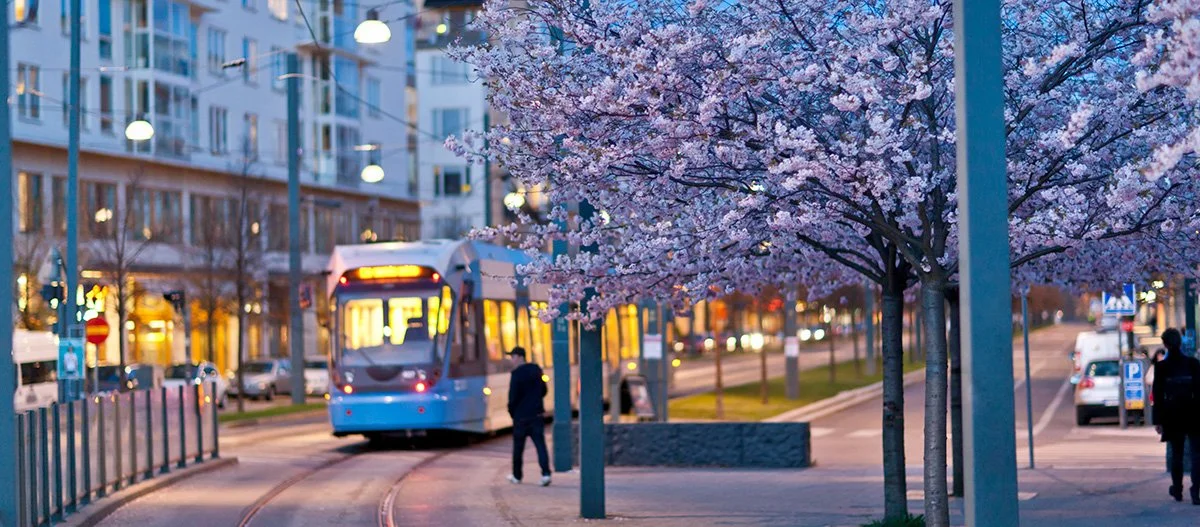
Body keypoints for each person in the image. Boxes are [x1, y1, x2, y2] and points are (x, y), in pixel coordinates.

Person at [1153, 328, 1200, 504]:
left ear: (1165, 344)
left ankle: (1177, 489)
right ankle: (1196, 491)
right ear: (1180, 343)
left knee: (1177, 454)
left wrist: (1158, 421)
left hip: (1173, 414)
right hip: (1194, 413)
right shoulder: (1193, 364)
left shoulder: (1162, 367)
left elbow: (1157, 395)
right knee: (1197, 454)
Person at [506, 347, 551, 486]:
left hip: (521, 417)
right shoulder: (536, 369)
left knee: (518, 449)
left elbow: (513, 396)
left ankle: (517, 476)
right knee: (540, 446)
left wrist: (512, 412)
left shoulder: (516, 374)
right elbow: (544, 390)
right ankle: (546, 474)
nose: (511, 360)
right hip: (536, 415)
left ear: (520, 357)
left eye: (513, 357)